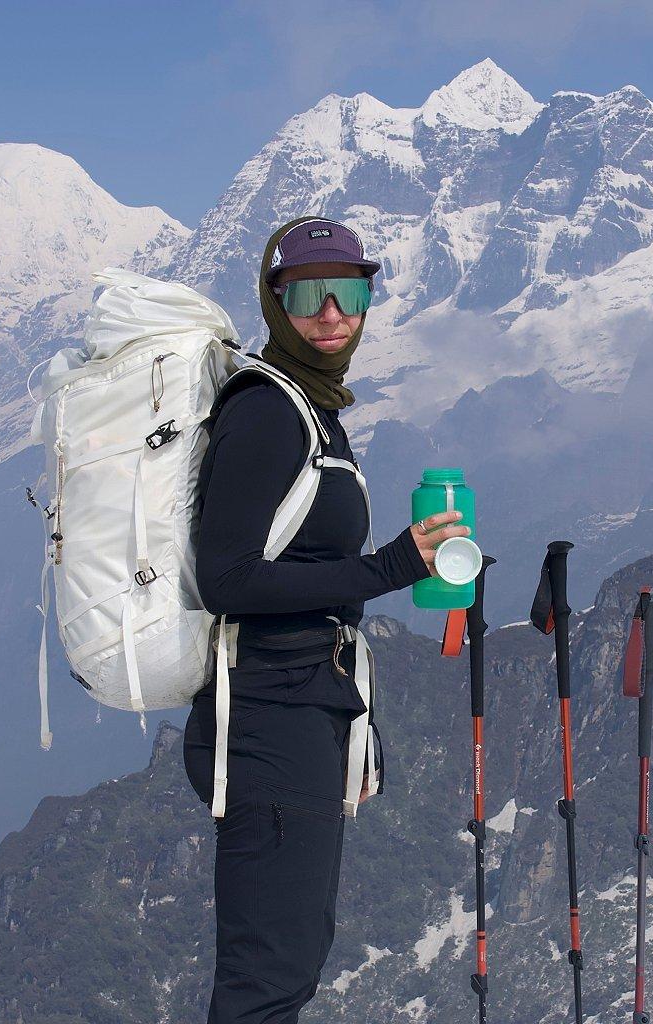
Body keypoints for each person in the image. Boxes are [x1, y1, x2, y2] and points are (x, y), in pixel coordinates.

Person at [182, 216, 470, 1023]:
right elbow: (227, 579)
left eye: (352, 290)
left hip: (304, 711)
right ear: (277, 302)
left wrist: (353, 723)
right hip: (270, 720)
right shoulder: (268, 410)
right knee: (269, 977)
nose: (334, 312)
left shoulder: (312, 407)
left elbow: (307, 578)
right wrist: (392, 567)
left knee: (288, 961)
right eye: (312, 293)